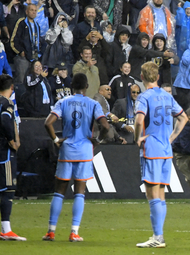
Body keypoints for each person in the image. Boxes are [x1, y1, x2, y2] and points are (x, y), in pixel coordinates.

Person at [42, 73, 110, 242]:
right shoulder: (93, 103)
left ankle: (51, 231)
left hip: (67, 150)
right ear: (86, 87)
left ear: (72, 86)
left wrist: (56, 140)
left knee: (59, 192)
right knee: (80, 192)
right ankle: (74, 232)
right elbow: (105, 126)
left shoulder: (63, 102)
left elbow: (47, 123)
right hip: (85, 151)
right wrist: (98, 140)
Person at [134, 62, 187, 248]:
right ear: (157, 77)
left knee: (152, 193)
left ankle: (157, 237)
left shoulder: (143, 97)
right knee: (161, 193)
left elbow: (139, 120)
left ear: (142, 77)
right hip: (166, 150)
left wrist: (137, 137)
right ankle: (159, 236)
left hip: (152, 150)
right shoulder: (167, 96)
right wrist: (171, 138)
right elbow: (183, 117)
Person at [0, 75, 26, 241]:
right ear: (12, 88)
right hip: (4, 153)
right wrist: (12, 140)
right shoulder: (6, 103)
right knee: (8, 190)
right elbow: (5, 120)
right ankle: (6, 230)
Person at [10, 4, 42, 84]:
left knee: (34, 80)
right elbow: (14, 40)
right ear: (26, 12)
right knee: (22, 80)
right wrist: (20, 52)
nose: (34, 12)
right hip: (23, 58)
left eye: (35, 10)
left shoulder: (37, 25)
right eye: (31, 10)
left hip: (34, 57)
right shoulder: (21, 23)